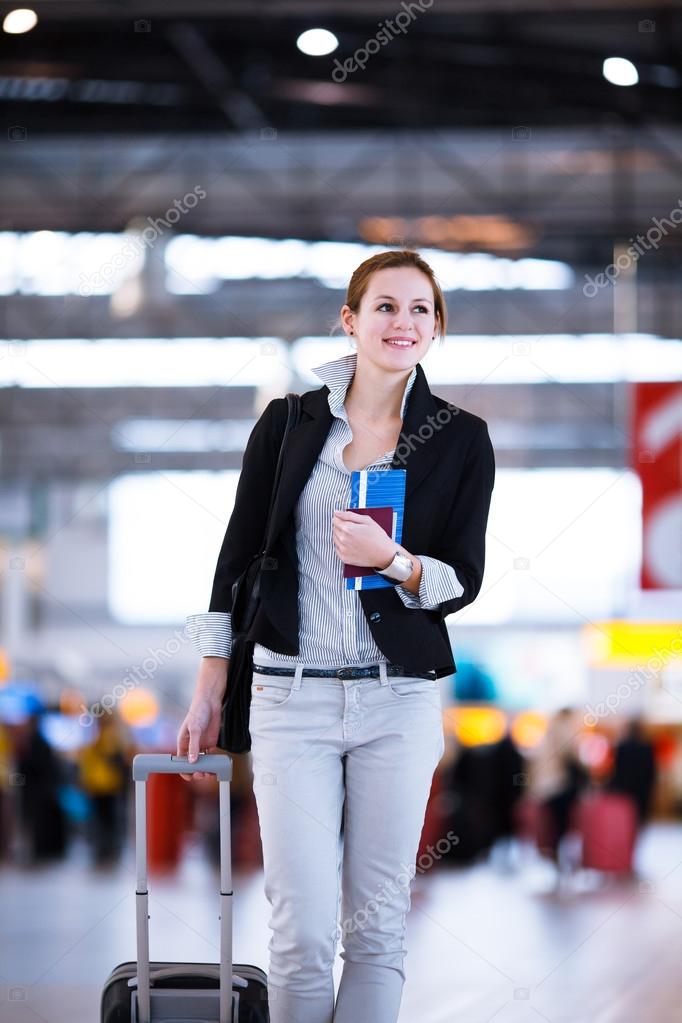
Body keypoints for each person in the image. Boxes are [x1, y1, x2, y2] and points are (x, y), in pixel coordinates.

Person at [178, 249, 496, 1023]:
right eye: (385, 306)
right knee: (302, 932)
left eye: (421, 309)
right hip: (292, 698)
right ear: (350, 321)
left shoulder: (461, 439)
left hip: (399, 703)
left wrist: (396, 561)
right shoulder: (288, 424)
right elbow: (235, 559)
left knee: (380, 930)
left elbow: (463, 580)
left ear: (437, 327)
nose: (403, 323)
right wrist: (208, 690)